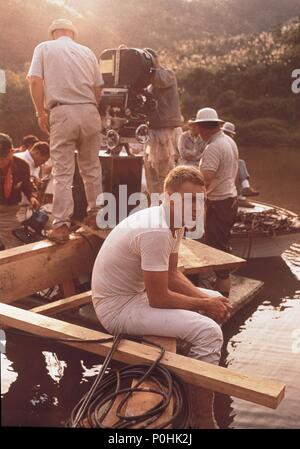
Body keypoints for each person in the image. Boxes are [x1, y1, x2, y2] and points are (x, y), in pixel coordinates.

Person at [92, 165, 232, 428]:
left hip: (135, 295)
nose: (195, 208)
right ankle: (202, 418)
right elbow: (159, 298)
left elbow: (171, 274)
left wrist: (207, 299)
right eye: (188, 200)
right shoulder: (156, 229)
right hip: (117, 309)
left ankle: (193, 364)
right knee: (209, 332)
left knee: (215, 297)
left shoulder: (174, 223)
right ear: (169, 196)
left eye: (199, 201)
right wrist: (204, 305)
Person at [27, 18, 104, 244]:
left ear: (53, 33)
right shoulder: (87, 52)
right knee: (92, 168)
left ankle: (60, 225)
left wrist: (40, 113)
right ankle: (97, 215)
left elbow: (35, 82)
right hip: (90, 111)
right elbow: (99, 87)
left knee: (63, 171)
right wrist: (89, 107)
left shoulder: (44, 47)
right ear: (73, 34)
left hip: (62, 111)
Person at [194, 108, 239, 297]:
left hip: (219, 202)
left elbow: (207, 177)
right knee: (220, 243)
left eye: (198, 128)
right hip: (229, 198)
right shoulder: (229, 141)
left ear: (203, 128)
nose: (197, 133)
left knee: (217, 247)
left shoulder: (213, 147)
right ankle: (219, 285)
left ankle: (222, 296)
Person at [143, 48, 182, 195]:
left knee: (164, 171)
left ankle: (167, 204)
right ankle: (155, 205)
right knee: (151, 171)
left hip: (164, 129)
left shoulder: (167, 74)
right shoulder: (148, 81)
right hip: (152, 129)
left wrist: (154, 63)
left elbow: (158, 78)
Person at [0, 133, 39, 249]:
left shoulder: (22, 166)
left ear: (11, 152)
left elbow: (27, 186)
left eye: (3, 157)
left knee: (15, 248)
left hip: (8, 213)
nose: (0, 160)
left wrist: (31, 196)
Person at [221, 122, 259, 208]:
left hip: (228, 164)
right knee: (239, 164)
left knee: (239, 166)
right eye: (226, 133)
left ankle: (243, 193)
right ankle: (243, 192)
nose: (227, 135)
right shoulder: (219, 141)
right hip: (219, 165)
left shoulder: (230, 142)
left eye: (228, 134)